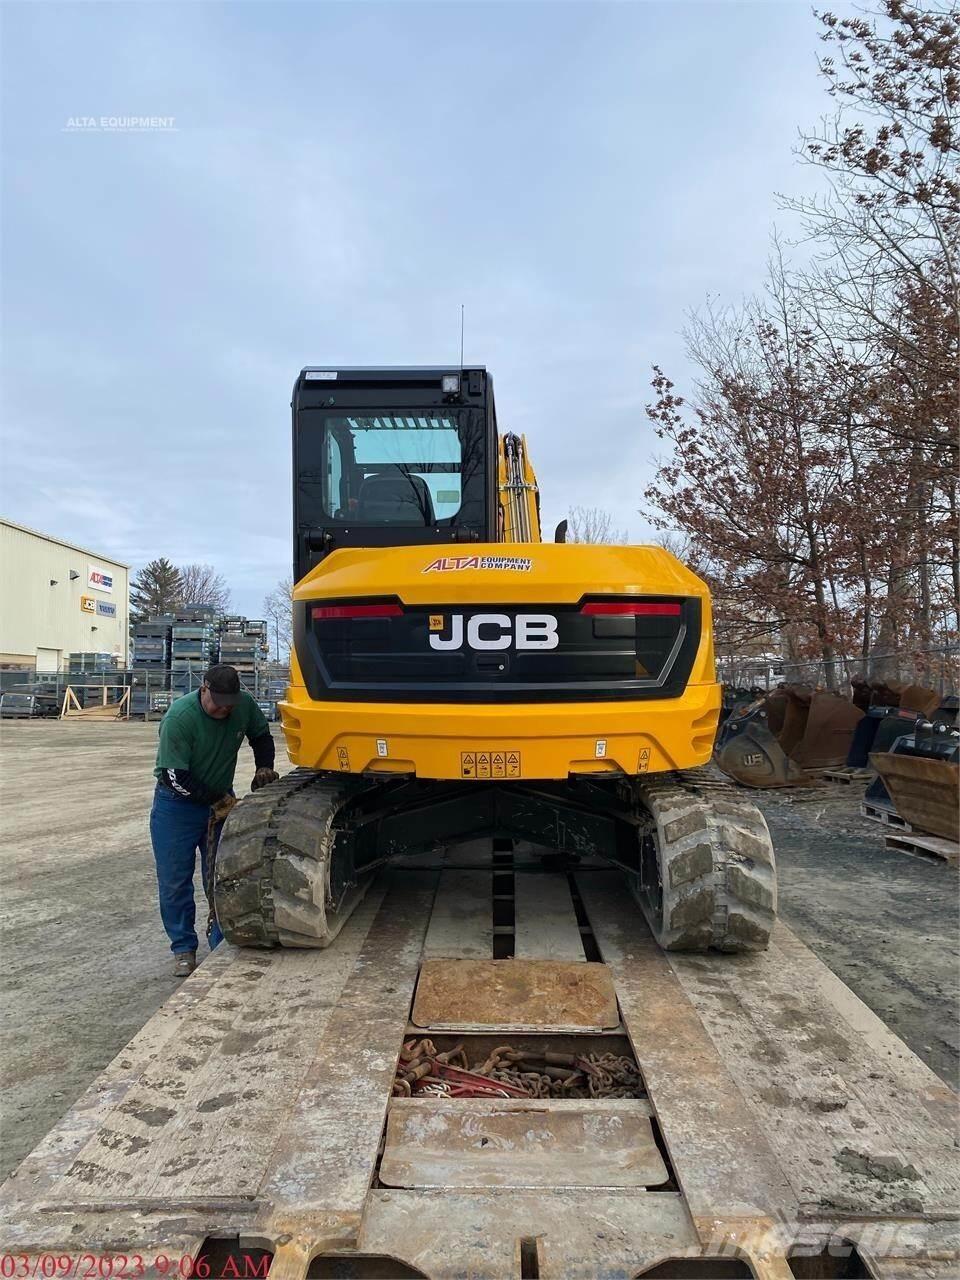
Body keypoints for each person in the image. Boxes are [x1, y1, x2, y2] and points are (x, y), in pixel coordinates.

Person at [150, 663, 279, 976]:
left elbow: (262, 736)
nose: (223, 711)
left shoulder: (242, 705)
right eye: (217, 703)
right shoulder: (180, 718)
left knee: (224, 876)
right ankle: (183, 948)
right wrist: (215, 800)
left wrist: (264, 766)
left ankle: (222, 941)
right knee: (175, 880)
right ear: (204, 688)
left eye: (229, 705)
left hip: (220, 799)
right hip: (176, 807)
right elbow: (174, 775)